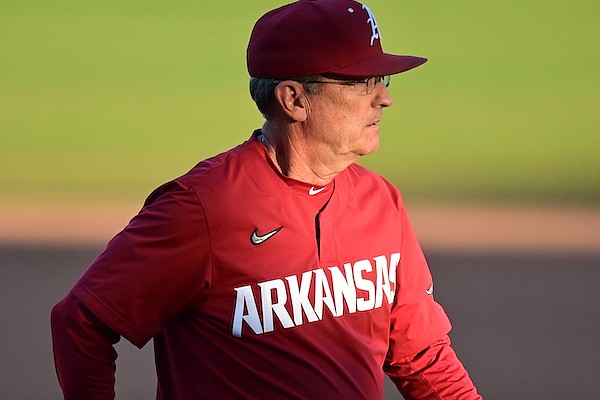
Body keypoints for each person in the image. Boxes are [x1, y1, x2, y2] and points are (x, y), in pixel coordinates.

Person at [51, 1, 482, 399]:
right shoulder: (205, 208)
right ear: (293, 99)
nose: (384, 98)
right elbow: (82, 322)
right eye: (361, 82)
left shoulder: (380, 201)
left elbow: (420, 353)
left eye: (381, 80)